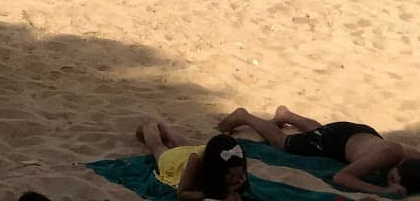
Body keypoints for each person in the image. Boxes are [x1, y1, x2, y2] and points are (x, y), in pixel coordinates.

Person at [219, 106, 420, 196]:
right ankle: (244, 116)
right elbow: (341, 177)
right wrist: (381, 190)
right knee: (283, 142)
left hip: (359, 136)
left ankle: (286, 115)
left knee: (319, 133)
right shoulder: (386, 155)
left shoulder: (412, 158)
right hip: (337, 139)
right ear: (400, 166)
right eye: (392, 178)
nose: (388, 180)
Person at [136, 120, 251, 201]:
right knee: (159, 149)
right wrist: (218, 194)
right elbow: (181, 194)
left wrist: (235, 187)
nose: (236, 179)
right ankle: (146, 127)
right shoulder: (197, 161)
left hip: (194, 152)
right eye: (232, 176)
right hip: (175, 164)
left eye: (239, 174)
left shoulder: (234, 159)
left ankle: (164, 127)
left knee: (184, 143)